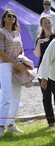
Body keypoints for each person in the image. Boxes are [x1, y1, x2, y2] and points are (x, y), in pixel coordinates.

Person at [0, 9, 26, 137]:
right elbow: (0, 52)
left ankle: (10, 124)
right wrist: (14, 63)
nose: (12, 17)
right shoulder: (1, 32)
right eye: (9, 16)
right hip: (5, 65)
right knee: (6, 97)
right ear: (4, 19)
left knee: (16, 96)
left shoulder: (17, 33)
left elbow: (22, 50)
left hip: (17, 65)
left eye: (14, 16)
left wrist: (20, 61)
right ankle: (0, 126)